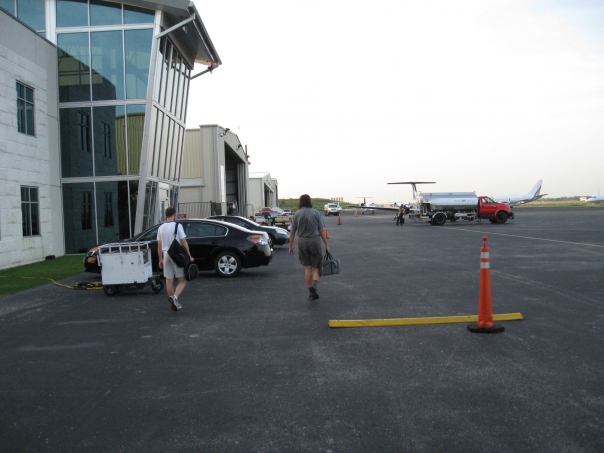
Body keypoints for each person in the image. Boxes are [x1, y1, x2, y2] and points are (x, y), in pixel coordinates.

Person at [288, 194, 330, 300]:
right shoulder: (316, 213)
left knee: (307, 267)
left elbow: (292, 232)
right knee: (317, 267)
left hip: (302, 241)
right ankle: (314, 287)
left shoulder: (296, 214)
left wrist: (290, 246)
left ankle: (310, 291)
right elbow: (321, 230)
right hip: (314, 241)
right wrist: (326, 245)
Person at [157, 207, 194, 311]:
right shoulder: (178, 226)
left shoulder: (161, 228)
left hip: (166, 254)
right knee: (182, 280)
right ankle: (175, 297)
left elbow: (159, 245)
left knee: (169, 280)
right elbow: (183, 241)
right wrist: (189, 255)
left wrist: (160, 259)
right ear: (174, 215)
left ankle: (173, 301)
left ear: (166, 215)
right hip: (176, 255)